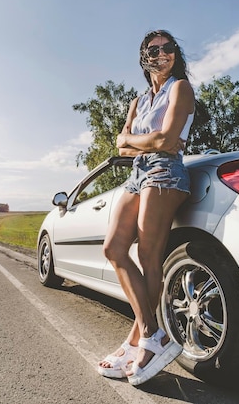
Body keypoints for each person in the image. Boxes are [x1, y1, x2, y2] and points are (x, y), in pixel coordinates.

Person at [97, 29, 195, 386]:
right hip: (139, 175)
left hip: (165, 173)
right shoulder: (138, 101)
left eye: (168, 48)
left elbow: (168, 142)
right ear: (144, 56)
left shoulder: (180, 88)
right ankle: (148, 335)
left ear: (175, 54)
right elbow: (122, 145)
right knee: (114, 248)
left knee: (148, 256)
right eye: (153, 49)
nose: (161, 54)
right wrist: (146, 141)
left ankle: (147, 340)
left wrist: (134, 141)